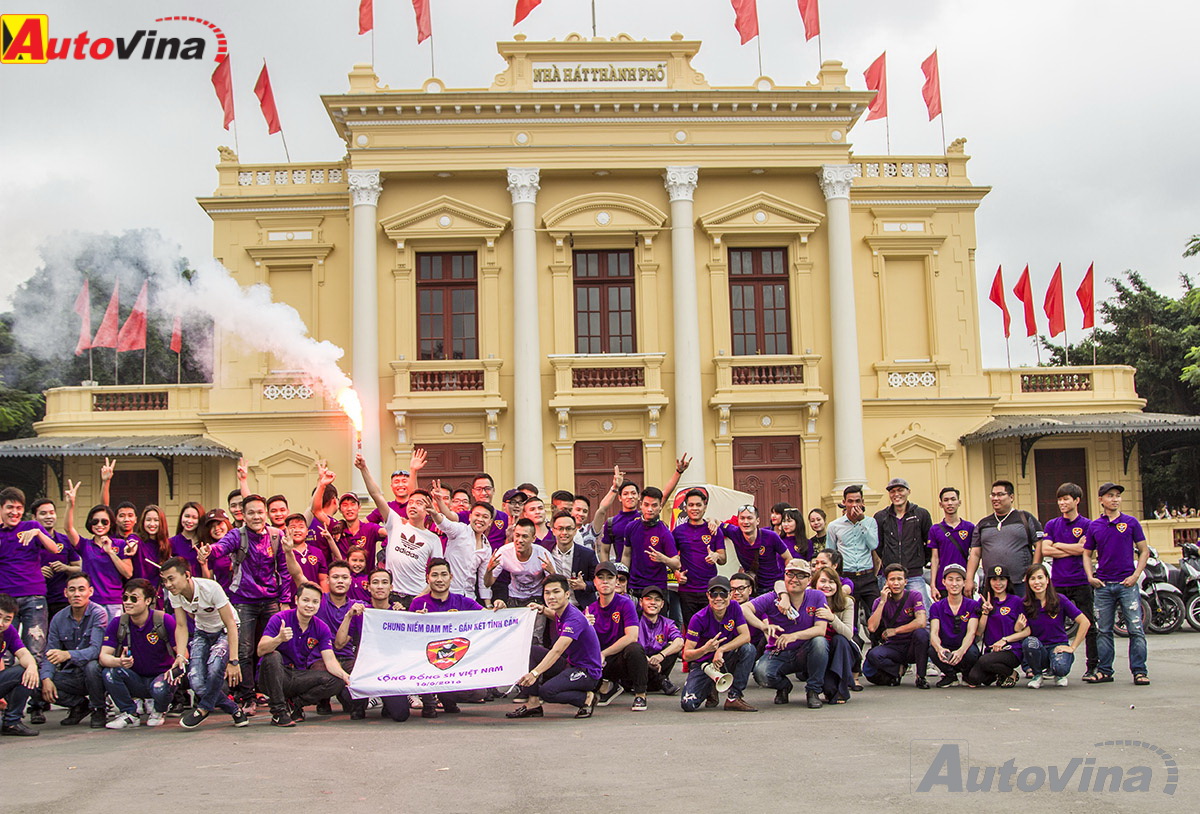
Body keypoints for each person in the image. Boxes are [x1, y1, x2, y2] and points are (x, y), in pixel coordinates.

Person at [206, 493, 288, 712]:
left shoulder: (276, 535)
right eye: (251, 512)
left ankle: (272, 693)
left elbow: (284, 570)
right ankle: (247, 697)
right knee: (244, 650)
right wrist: (209, 551)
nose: (256, 517)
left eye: (260, 512)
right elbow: (220, 548)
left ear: (266, 514)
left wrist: (285, 601)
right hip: (243, 600)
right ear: (243, 515)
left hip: (270, 600)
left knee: (271, 648)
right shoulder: (236, 535)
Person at [0, 485, 66, 723]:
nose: (14, 512)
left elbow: (55, 549)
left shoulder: (32, 527)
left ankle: (37, 705)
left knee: (35, 650)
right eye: (10, 508)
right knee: (5, 653)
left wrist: (38, 534)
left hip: (34, 596)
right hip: (5, 600)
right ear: (1, 509)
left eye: (18, 508)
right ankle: (5, 704)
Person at [160, 558, 248, 728]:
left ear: (186, 575)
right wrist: (179, 654)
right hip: (202, 632)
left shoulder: (211, 588)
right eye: (164, 580)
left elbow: (230, 623)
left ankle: (203, 709)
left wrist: (234, 660)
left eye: (171, 578)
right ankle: (235, 711)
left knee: (215, 668)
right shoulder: (175, 594)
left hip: (225, 630)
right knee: (196, 682)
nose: (168, 584)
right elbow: (181, 625)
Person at [507, 574, 603, 719]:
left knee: (547, 692)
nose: (551, 597)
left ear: (567, 594)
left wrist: (534, 673)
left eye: (556, 592)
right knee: (531, 651)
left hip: (587, 672)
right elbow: (555, 615)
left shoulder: (574, 619)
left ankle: (586, 698)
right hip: (571, 664)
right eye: (547, 593)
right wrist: (542, 609)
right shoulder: (561, 612)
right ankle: (533, 705)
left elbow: (557, 650)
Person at [257, 582, 352, 727]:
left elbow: (330, 660)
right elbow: (260, 650)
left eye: (315, 602)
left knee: (336, 681)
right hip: (272, 676)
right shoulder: (280, 619)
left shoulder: (321, 627)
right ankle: (279, 712)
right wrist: (279, 639)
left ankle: (295, 704)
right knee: (273, 656)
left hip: (298, 675)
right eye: (305, 600)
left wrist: (345, 676)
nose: (310, 605)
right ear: (296, 600)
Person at [1083, 482, 1150, 686]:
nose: (1115, 499)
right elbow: (1087, 553)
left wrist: (1136, 575)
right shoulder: (1095, 525)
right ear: (1101, 500)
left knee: (1135, 629)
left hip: (1126, 584)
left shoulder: (1130, 523)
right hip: (1103, 585)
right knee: (1103, 630)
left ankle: (1139, 671)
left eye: (1118, 496)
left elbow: (1144, 550)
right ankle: (1104, 670)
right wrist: (1090, 576)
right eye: (1110, 496)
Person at [744, 558, 829, 708]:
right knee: (761, 673)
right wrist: (763, 626)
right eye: (790, 574)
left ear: (809, 580)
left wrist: (794, 636)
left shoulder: (817, 596)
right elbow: (744, 609)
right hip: (778, 651)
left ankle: (813, 691)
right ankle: (783, 686)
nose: (794, 579)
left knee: (820, 642)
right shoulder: (773, 597)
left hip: (805, 651)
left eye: (801, 575)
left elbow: (820, 629)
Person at [358, 455, 440, 608]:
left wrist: (420, 598)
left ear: (428, 510)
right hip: (391, 595)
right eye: (411, 502)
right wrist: (364, 469)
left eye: (419, 503)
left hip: (417, 596)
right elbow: (376, 495)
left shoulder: (433, 539)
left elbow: (437, 573)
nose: (413, 505)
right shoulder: (395, 523)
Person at [99, 578, 179, 729]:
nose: (128, 602)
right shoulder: (118, 623)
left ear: (148, 600)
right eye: (125, 598)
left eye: (134, 598)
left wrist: (174, 671)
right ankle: (129, 714)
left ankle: (159, 710)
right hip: (135, 678)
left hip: (161, 678)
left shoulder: (164, 620)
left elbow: (182, 654)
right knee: (109, 673)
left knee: (161, 686)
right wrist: (119, 662)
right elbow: (103, 657)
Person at [409, 558, 484, 718]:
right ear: (427, 578)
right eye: (434, 575)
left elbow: (488, 618)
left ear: (451, 577)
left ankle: (447, 698)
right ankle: (429, 702)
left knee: (479, 692)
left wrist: (499, 606)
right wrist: (416, 621)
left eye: (444, 574)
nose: (439, 579)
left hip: (457, 661)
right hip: (427, 661)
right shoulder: (418, 604)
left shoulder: (463, 602)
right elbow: (409, 637)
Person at [335, 569, 411, 722]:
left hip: (389, 673)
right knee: (351, 707)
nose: (380, 587)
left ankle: (386, 702)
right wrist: (349, 615)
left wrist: (405, 618)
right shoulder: (362, 613)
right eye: (375, 583)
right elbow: (339, 643)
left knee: (401, 715)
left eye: (384, 583)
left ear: (391, 588)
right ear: (368, 587)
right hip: (365, 670)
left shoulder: (399, 612)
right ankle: (362, 702)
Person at [1039, 482, 1098, 680]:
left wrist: (1059, 545)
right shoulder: (1052, 524)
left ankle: (1093, 666)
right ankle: (1049, 664)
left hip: (1081, 581)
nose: (1062, 503)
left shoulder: (1088, 525)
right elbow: (1046, 550)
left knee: (1088, 623)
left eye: (1066, 499)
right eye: (1060, 499)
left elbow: (1087, 550)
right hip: (1058, 583)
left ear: (1077, 500)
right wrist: (1074, 548)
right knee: (1052, 625)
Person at [38, 573, 109, 728]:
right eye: (72, 590)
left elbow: (96, 650)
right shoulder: (58, 618)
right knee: (35, 680)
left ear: (90, 592)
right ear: (65, 593)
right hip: (72, 673)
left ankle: (99, 708)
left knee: (92, 666)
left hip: (96, 674)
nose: (77, 594)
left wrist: (68, 654)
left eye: (81, 589)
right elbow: (50, 653)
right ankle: (79, 705)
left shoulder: (98, 614)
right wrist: (46, 679)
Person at [680, 575, 757, 712]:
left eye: (723, 593)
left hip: (725, 658)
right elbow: (686, 655)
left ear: (730, 595)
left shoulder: (734, 607)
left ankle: (734, 696)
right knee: (688, 704)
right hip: (704, 664)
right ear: (708, 595)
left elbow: (746, 636)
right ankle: (710, 686)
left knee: (748, 649)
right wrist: (705, 649)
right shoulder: (698, 619)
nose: (718, 598)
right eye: (714, 594)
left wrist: (720, 650)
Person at [64, 482, 133, 618]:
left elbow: (128, 573)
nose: (99, 525)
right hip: (91, 602)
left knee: (113, 637)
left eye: (104, 522)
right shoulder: (85, 545)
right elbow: (68, 529)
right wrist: (70, 504)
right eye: (95, 521)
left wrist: (110, 552)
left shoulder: (119, 544)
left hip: (114, 602)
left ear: (111, 523)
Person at [586, 561, 647, 711]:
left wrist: (603, 654)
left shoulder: (626, 604)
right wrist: (585, 627)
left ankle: (640, 695)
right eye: (600, 577)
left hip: (620, 657)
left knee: (635, 649)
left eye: (609, 577)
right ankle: (608, 685)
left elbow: (632, 636)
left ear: (616, 582)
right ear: (595, 582)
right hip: (600, 661)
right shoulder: (590, 609)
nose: (605, 581)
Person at [967, 480, 1043, 598]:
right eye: (993, 495)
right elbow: (975, 554)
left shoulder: (1025, 518)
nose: (995, 498)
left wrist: (1033, 574)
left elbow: (1039, 546)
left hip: (1021, 583)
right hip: (993, 584)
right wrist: (969, 579)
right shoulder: (983, 523)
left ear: (1011, 497)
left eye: (1000, 494)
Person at [1022, 563, 1090, 688]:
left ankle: (1059, 674)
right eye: (1032, 579)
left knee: (1060, 667)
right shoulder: (1025, 603)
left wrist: (1072, 647)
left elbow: (1085, 622)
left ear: (1047, 580)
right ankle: (1037, 675)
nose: (1037, 582)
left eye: (1040, 577)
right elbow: (1021, 630)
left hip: (1058, 647)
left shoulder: (1060, 599)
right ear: (1028, 582)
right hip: (1039, 648)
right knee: (1029, 642)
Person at [428, 483, 499, 603]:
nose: (480, 519)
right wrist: (435, 511)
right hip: (448, 594)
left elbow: (483, 581)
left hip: (469, 598)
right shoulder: (460, 530)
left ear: (490, 522)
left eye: (485, 517)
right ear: (470, 517)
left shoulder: (487, 547)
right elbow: (444, 523)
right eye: (477, 515)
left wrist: (488, 605)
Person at [864, 563, 930, 689]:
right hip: (894, 647)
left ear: (905, 582)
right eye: (892, 579)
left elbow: (921, 621)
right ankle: (898, 669)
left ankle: (920, 676)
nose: (896, 583)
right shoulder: (879, 601)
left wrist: (896, 630)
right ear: (886, 582)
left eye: (899, 579)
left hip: (912, 645)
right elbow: (872, 627)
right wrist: (883, 601)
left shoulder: (914, 596)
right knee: (873, 655)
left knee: (922, 634)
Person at [826, 484, 880, 634]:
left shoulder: (870, 522)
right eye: (850, 501)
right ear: (844, 502)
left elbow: (873, 544)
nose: (854, 505)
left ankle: (876, 648)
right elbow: (831, 552)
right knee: (850, 618)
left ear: (863, 502)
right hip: (848, 577)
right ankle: (855, 649)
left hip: (867, 576)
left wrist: (861, 521)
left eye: (857, 501)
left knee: (876, 614)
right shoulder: (834, 526)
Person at [874, 478, 934, 609]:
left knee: (923, 612)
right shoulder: (881, 517)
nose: (896, 494)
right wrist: (887, 558)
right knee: (888, 613)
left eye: (900, 490)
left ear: (908, 492)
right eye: (893, 491)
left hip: (914, 574)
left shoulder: (921, 514)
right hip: (889, 575)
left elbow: (929, 541)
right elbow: (878, 545)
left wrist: (921, 560)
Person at [966, 565, 1029, 688]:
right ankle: (1001, 674)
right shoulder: (984, 602)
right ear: (989, 581)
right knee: (974, 678)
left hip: (1011, 649)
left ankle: (1011, 673)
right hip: (991, 650)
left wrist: (1006, 639)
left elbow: (1027, 631)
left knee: (984, 662)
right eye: (994, 579)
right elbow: (979, 633)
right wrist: (985, 613)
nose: (998, 583)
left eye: (1002, 579)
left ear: (1007, 581)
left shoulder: (1016, 601)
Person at [673, 487, 727, 624]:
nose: (694, 508)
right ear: (685, 508)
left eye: (698, 505)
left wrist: (716, 556)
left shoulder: (713, 530)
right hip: (687, 590)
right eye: (691, 505)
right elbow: (673, 559)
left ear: (705, 506)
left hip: (710, 590)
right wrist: (677, 573)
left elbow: (723, 559)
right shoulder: (678, 532)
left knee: (712, 626)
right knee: (691, 629)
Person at [926, 563, 980, 687]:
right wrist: (940, 649)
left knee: (972, 653)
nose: (954, 584)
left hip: (964, 646)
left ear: (964, 582)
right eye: (950, 579)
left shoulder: (972, 605)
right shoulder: (937, 606)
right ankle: (950, 676)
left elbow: (971, 632)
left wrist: (961, 651)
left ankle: (966, 674)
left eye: (958, 580)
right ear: (944, 582)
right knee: (932, 650)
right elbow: (934, 632)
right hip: (946, 646)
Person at [717, 504, 791, 596]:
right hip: (752, 588)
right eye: (742, 518)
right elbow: (716, 523)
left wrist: (787, 580)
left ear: (757, 521)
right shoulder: (734, 532)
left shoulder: (771, 536)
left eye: (749, 518)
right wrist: (712, 521)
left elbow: (788, 558)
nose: (746, 522)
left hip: (773, 587)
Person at [620, 486, 680, 599]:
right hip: (635, 587)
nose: (650, 509)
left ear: (660, 507)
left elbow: (677, 563)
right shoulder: (631, 527)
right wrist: (623, 579)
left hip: (657, 589)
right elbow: (626, 555)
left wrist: (663, 559)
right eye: (646, 505)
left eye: (654, 505)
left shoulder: (665, 533)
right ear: (641, 504)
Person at [812, 564, 861, 701]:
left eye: (831, 582)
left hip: (841, 650)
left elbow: (848, 634)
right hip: (817, 649)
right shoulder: (808, 600)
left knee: (840, 640)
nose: (827, 585)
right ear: (815, 583)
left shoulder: (846, 602)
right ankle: (825, 688)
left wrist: (832, 618)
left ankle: (841, 689)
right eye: (823, 581)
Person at [485, 519, 555, 612]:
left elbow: (555, 584)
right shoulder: (504, 552)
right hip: (514, 597)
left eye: (525, 536)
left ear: (533, 538)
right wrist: (489, 570)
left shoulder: (542, 554)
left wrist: (552, 572)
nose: (520, 540)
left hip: (536, 598)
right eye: (517, 535)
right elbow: (487, 583)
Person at [31, 498, 80, 623]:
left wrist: (66, 568)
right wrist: (37, 572)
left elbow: (79, 569)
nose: (49, 516)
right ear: (34, 517)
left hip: (61, 600)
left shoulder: (65, 540)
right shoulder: (27, 542)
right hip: (35, 599)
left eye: (51, 512)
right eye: (43, 513)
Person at [0, 592, 41, 736]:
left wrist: (32, 667)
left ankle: (12, 722)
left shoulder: (8, 631)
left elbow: (23, 653)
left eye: (7, 619)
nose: (1, 623)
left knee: (27, 671)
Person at [542, 510, 599, 609]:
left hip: (580, 606)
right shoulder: (545, 550)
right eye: (560, 529)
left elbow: (599, 581)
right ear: (553, 530)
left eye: (568, 529)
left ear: (575, 530)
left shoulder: (587, 554)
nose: (564, 533)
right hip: (553, 607)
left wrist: (584, 585)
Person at [637, 586, 683, 695]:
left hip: (659, 666)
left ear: (662, 604)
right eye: (648, 599)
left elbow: (680, 642)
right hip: (637, 669)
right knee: (633, 650)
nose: (653, 602)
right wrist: (647, 661)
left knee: (672, 646)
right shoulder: (634, 619)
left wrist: (661, 656)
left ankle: (659, 680)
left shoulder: (668, 623)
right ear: (640, 602)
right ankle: (661, 681)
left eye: (657, 600)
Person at [364, 449, 427, 524]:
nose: (400, 485)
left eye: (404, 481)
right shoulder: (387, 508)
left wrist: (413, 471)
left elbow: (415, 496)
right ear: (391, 486)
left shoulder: (420, 506)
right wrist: (379, 530)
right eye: (396, 482)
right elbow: (362, 524)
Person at [134, 505, 172, 595]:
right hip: (138, 593)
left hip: (157, 594)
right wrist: (131, 547)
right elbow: (131, 541)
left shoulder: (166, 545)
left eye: (156, 520)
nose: (152, 524)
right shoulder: (137, 539)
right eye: (148, 520)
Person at [468, 473, 510, 549]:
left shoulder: (504, 517)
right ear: (473, 492)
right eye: (479, 489)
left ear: (493, 490)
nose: (483, 493)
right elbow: (448, 520)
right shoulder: (465, 515)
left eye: (487, 488)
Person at [169, 501, 206, 576]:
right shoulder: (171, 543)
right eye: (187, 516)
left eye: (194, 518)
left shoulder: (205, 544)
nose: (189, 521)